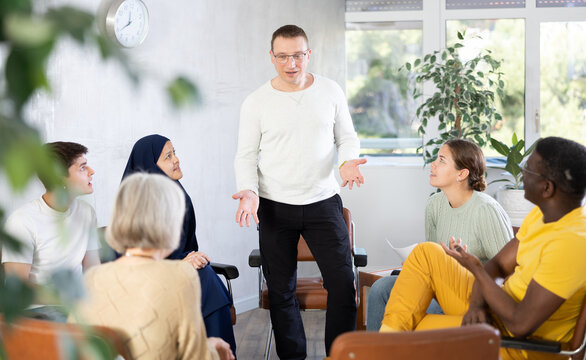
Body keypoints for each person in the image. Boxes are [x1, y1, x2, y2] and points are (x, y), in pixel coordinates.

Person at [381, 137, 586, 360]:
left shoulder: (572, 243)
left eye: (528, 168)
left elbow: (520, 324)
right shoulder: (544, 214)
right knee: (426, 253)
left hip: (519, 345)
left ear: (547, 188)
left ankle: (377, 350)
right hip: (494, 310)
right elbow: (498, 264)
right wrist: (477, 305)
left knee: (408, 333)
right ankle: (379, 349)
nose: (522, 172)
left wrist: (477, 269)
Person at [233, 24, 366, 359]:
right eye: (283, 56)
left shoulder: (330, 91)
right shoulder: (256, 102)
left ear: (308, 55)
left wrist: (348, 161)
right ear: (272, 57)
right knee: (281, 291)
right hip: (275, 207)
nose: (291, 63)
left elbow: (346, 137)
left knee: (341, 285)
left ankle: (339, 353)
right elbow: (246, 155)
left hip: (323, 202)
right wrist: (248, 191)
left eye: (298, 55)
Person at [71, 173, 234, 360]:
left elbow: (76, 346)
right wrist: (213, 348)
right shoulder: (181, 275)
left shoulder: (93, 277)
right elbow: (194, 355)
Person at [367, 139, 513, 330]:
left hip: (475, 294)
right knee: (380, 289)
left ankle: (396, 345)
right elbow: (433, 258)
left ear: (462, 173)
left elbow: (509, 274)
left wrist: (465, 264)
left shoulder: (486, 210)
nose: (433, 165)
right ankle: (372, 350)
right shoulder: (434, 204)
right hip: (441, 284)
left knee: (421, 305)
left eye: (442, 160)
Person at [121, 134, 236, 355]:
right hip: (149, 281)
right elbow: (136, 260)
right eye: (167, 156)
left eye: (174, 152)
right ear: (149, 168)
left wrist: (186, 260)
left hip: (181, 277)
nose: (176, 159)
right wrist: (179, 262)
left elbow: (186, 246)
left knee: (205, 276)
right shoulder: (136, 205)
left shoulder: (177, 195)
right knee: (207, 281)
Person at [1, 141, 101, 322]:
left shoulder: (87, 213)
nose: (91, 171)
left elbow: (93, 269)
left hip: (78, 306)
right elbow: (18, 289)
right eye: (82, 168)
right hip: (40, 311)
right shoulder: (22, 221)